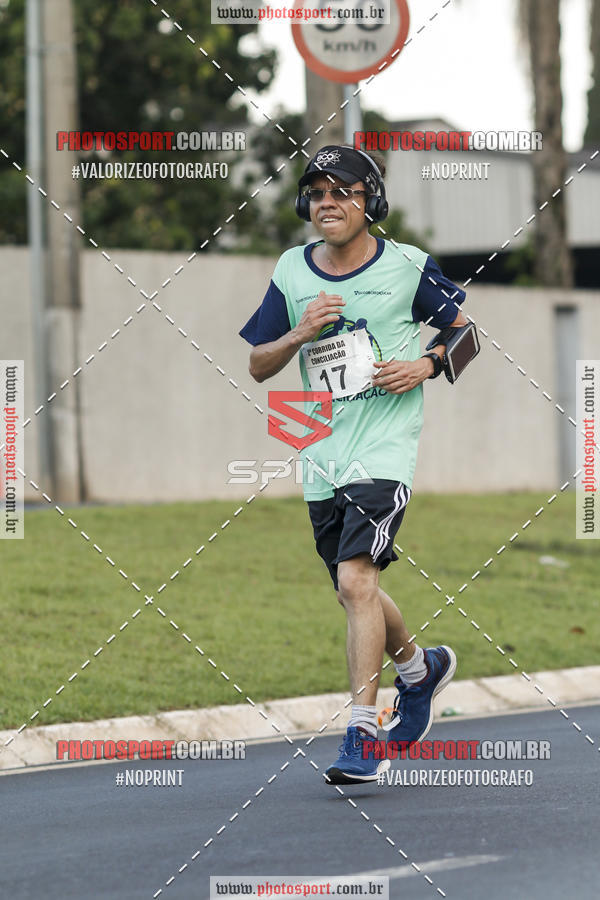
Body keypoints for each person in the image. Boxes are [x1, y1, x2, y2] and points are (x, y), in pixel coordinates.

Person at [239, 145, 469, 785]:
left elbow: (466, 333)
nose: (327, 203)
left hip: (385, 447)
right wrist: (298, 334)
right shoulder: (292, 270)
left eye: (342, 192)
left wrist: (426, 364)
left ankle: (362, 735)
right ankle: (421, 669)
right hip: (315, 441)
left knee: (353, 583)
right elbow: (259, 364)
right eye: (316, 193)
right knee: (354, 587)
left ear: (370, 201)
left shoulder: (407, 266)